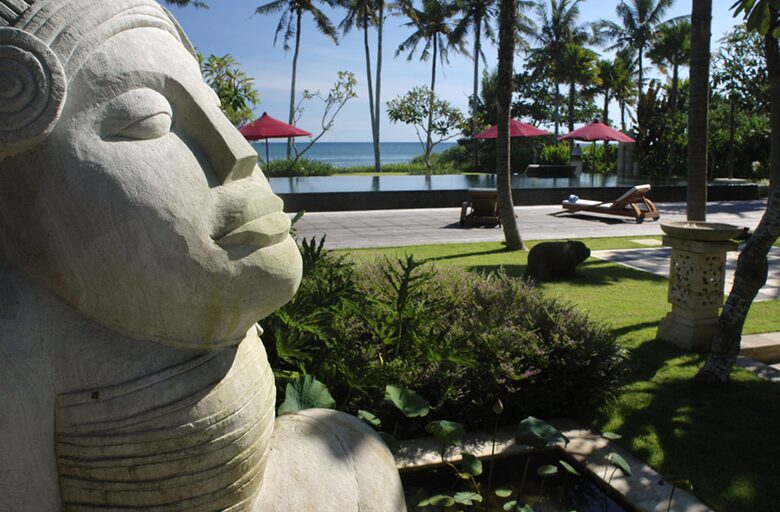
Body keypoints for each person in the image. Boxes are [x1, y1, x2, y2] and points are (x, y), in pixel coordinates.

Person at [0, 1, 403, 510]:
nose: (239, 151)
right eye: (150, 119)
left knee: (355, 452)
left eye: (214, 106)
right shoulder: (19, 345)